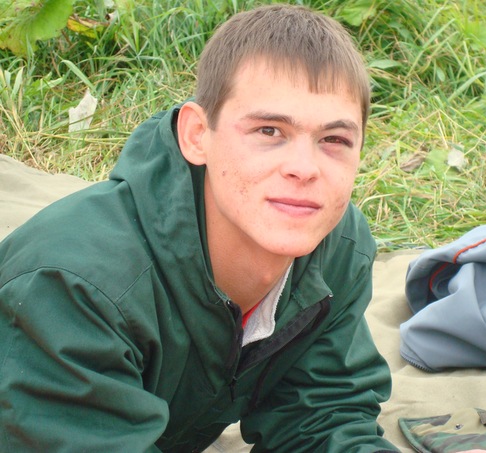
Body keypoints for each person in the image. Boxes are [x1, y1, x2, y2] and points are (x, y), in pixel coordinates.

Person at [0, 4, 398, 452]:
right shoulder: (73, 287)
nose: (304, 168)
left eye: (334, 140)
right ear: (196, 135)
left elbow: (321, 417)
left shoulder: (337, 246)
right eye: (269, 131)